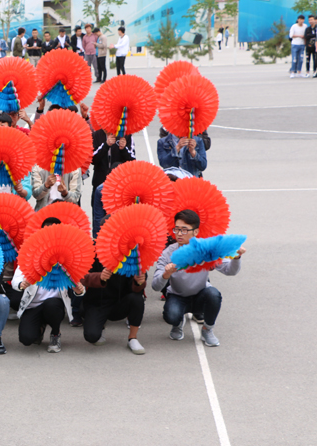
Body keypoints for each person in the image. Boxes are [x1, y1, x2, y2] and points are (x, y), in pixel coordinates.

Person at [152, 210, 246, 347]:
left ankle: (207, 329)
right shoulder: (168, 253)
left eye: (184, 230)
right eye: (177, 229)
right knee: (171, 315)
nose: (179, 233)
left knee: (214, 295)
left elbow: (230, 271)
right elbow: (155, 286)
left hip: (201, 294)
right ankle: (178, 323)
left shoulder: (206, 249)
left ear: (195, 232)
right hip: (178, 296)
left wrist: (236, 258)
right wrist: (166, 274)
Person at [12, 218, 86, 352]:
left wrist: (79, 290)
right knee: (26, 339)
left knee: (51, 305)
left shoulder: (67, 256)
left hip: (54, 304)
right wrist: (21, 284)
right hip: (33, 305)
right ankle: (40, 328)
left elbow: (79, 287)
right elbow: (15, 280)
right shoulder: (30, 253)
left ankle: (55, 333)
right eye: (47, 231)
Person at [80, 256, 147, 355]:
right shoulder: (94, 252)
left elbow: (137, 288)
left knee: (137, 298)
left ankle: (132, 337)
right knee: (91, 336)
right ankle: (101, 326)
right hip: (97, 302)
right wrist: (99, 277)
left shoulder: (131, 255)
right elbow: (82, 276)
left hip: (121, 302)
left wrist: (138, 282)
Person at [91, 129, 135, 206]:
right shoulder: (96, 135)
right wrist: (106, 145)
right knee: (98, 211)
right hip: (99, 183)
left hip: (120, 184)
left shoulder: (126, 136)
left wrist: (124, 149)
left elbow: (132, 160)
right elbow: (92, 159)